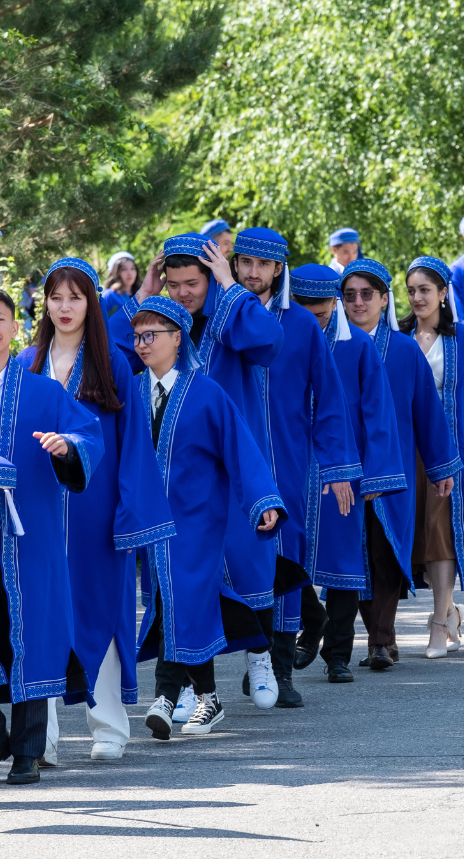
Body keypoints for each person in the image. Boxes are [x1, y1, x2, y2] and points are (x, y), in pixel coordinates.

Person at [0, 286, 105, 787]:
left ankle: (29, 750)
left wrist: (66, 447)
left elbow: (88, 434)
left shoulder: (45, 393)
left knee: (35, 628)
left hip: (30, 533)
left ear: (15, 328)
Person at [19, 257, 174, 764]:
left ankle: (108, 725)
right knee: (40, 616)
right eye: (56, 297)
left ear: (91, 302)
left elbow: (134, 451)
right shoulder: (26, 367)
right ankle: (41, 736)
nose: (65, 308)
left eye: (76, 297)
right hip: (39, 514)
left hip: (96, 511)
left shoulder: (114, 371)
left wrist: (132, 514)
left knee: (101, 612)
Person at [125, 233, 285, 708]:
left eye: (192, 283)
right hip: (180, 476)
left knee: (249, 565)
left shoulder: (230, 315)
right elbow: (116, 351)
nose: (183, 294)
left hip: (234, 462)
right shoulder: (161, 323)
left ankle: (262, 657)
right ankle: (196, 689)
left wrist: (229, 285)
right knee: (183, 577)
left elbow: (269, 340)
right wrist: (144, 294)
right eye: (173, 284)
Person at [232, 228, 359, 707]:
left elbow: (328, 399)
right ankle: (249, 658)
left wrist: (337, 466)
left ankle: (279, 669)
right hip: (230, 466)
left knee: (284, 560)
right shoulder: (222, 318)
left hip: (288, 463)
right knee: (237, 561)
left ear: (278, 269)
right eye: (245, 263)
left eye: (262, 266)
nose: (252, 273)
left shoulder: (302, 325)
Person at [286, 264, 407, 683]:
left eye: (321, 313)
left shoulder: (357, 345)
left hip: (343, 470)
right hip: (292, 466)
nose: (313, 321)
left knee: (343, 563)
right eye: (305, 310)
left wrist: (375, 474)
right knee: (287, 555)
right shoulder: (278, 341)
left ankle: (338, 653)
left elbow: (378, 413)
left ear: (333, 304)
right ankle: (308, 620)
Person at [341, 257, 461, 669]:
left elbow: (428, 410)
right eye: (350, 295)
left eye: (367, 294)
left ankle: (381, 638)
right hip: (344, 468)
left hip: (395, 468)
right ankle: (376, 635)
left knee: (386, 550)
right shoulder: (330, 347)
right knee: (353, 552)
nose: (359, 302)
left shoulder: (405, 350)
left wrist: (442, 464)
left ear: (383, 299)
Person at [401, 256, 464, 656]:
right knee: (415, 540)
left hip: (451, 454)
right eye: (411, 291)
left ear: (444, 293)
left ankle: (439, 624)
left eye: (425, 290)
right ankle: (449, 611)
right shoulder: (398, 337)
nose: (417, 298)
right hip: (407, 455)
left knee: (442, 536)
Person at [100, 251, 140, 318]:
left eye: (132, 269)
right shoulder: (108, 295)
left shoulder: (140, 293)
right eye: (124, 269)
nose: (129, 273)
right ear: (116, 272)